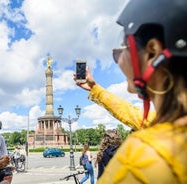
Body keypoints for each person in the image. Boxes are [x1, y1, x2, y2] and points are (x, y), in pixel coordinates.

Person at [76, 0, 187, 183]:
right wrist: (96, 89)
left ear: (152, 52)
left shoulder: (139, 161)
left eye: (123, 48)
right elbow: (136, 116)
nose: (118, 60)